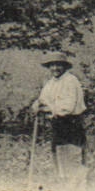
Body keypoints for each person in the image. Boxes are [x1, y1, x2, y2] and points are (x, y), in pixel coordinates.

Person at [32, 52, 86, 183]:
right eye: (52, 65)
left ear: (65, 67)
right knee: (59, 159)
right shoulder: (51, 83)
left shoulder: (71, 81)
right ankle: (64, 189)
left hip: (71, 124)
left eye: (58, 65)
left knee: (73, 159)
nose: (55, 68)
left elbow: (67, 107)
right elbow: (42, 99)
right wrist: (37, 104)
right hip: (57, 125)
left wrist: (48, 108)